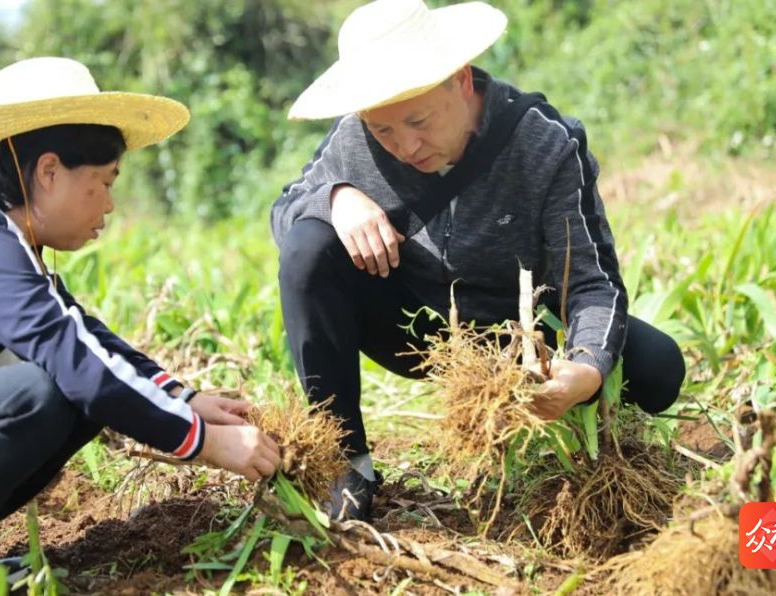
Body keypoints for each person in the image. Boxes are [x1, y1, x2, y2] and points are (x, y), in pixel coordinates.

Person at [0, 57, 282, 595]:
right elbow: (71, 358)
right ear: (49, 171)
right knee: (42, 390)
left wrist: (183, 398)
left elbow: (78, 333)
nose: (111, 204)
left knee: (70, 388)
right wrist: (204, 442)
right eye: (104, 181)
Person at [270, 0, 686, 521]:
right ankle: (346, 463)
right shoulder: (354, 138)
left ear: (461, 80)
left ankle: (592, 439)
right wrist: (335, 198)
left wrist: (584, 368)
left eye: (418, 120)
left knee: (657, 367)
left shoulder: (543, 143)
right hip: (411, 326)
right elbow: (286, 207)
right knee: (308, 247)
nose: (405, 145)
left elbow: (591, 283)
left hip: (520, 337)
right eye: (384, 131)